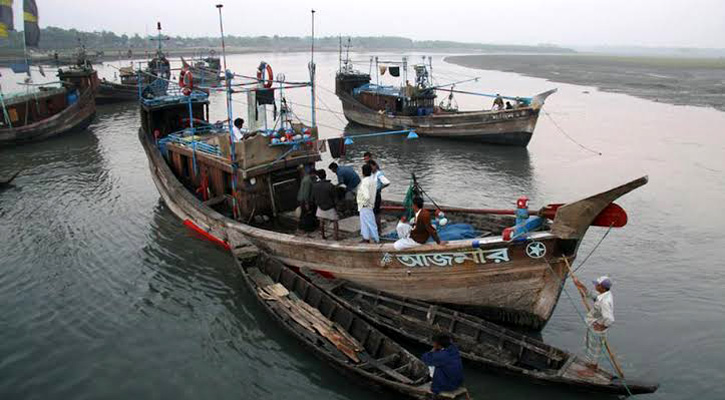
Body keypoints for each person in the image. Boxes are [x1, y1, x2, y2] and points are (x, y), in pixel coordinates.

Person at [573, 275, 615, 377]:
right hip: (592, 324)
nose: (595, 286)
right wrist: (581, 286)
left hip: (597, 328)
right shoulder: (603, 294)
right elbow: (592, 295)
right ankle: (589, 364)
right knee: (589, 345)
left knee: (594, 349)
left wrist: (603, 326)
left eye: (597, 285)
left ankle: (591, 370)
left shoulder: (605, 302)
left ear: (602, 287)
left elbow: (610, 319)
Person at [311, 170, 339, 240]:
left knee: (321, 221)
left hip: (320, 206)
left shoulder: (315, 186)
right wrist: (337, 207)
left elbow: (313, 197)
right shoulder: (330, 185)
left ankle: (323, 236)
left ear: (318, 177)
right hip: (330, 207)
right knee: (335, 221)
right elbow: (335, 197)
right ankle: (335, 237)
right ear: (325, 175)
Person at [357, 164, 379, 243]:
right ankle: (366, 238)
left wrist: (363, 203)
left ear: (363, 172)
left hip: (365, 205)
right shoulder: (373, 180)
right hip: (369, 205)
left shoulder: (364, 182)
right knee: (365, 223)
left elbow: (366, 196)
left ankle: (376, 239)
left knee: (370, 223)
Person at [368, 159, 390, 234]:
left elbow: (387, 182)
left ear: (374, 166)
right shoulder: (371, 174)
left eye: (371, 167)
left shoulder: (379, 174)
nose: (370, 169)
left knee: (376, 213)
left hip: (376, 195)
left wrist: (380, 188)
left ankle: (378, 230)